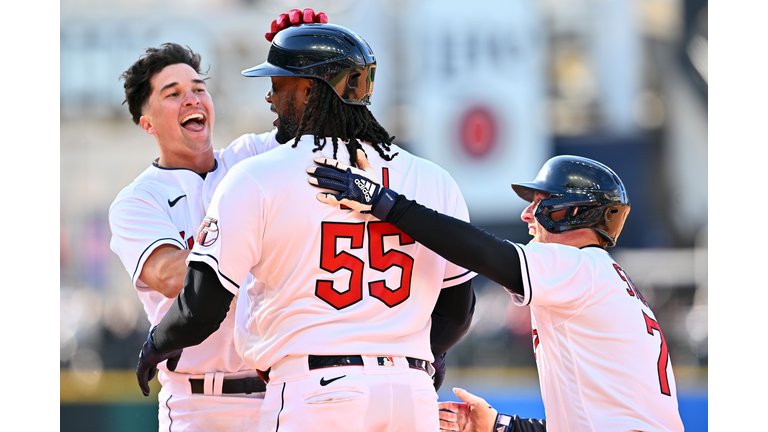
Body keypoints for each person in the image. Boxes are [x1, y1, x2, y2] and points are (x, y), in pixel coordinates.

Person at [133, 22, 477, 432]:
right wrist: (414, 354)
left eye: (278, 84)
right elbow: (458, 311)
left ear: (310, 90)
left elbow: (202, 306)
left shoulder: (257, 177)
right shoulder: (432, 179)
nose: (269, 96)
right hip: (410, 394)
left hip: (316, 390)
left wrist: (157, 344)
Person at [307, 153, 685, 432]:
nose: (526, 215)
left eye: (540, 203)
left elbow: (485, 253)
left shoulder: (580, 268)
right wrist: (500, 426)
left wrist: (385, 203)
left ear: (573, 211)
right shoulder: (596, 279)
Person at [108, 42, 281, 431]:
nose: (191, 99)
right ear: (148, 122)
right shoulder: (137, 200)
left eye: (198, 89)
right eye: (172, 94)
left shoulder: (252, 154)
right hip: (201, 404)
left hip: (285, 393)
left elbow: (319, 136)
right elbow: (172, 278)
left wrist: (302, 52)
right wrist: (248, 234)